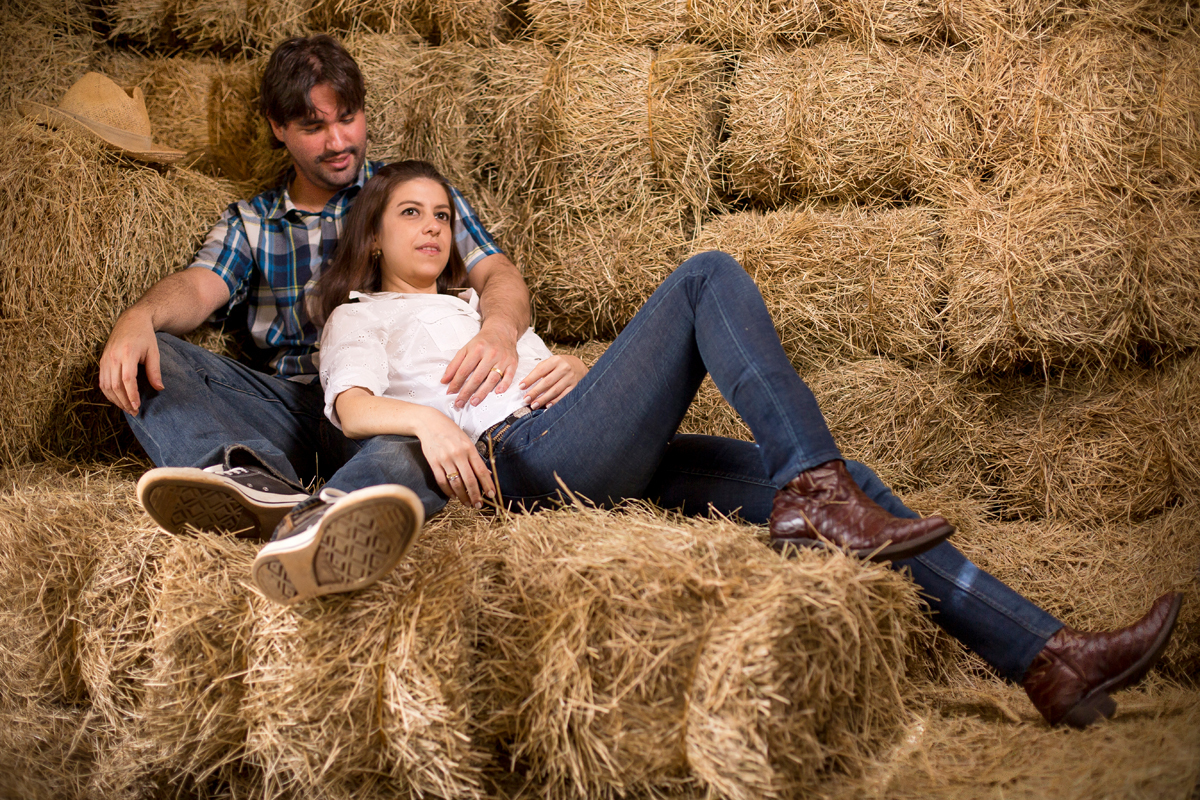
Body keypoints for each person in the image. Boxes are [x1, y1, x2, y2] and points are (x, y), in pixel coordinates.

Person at [261, 160, 1181, 733]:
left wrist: (582, 371)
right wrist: (425, 420)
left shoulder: (475, 309)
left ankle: (1047, 659)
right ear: (373, 232)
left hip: (586, 449)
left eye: (443, 216)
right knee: (706, 278)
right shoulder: (364, 313)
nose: (432, 227)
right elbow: (348, 407)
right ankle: (814, 491)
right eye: (411, 213)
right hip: (518, 465)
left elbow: (542, 376)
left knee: (854, 479)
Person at [97, 35, 529, 546]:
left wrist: (499, 331)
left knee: (411, 443)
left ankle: (324, 522)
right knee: (153, 355)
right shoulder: (252, 222)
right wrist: (137, 318)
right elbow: (197, 287)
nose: (337, 142)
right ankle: (250, 481)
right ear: (278, 128)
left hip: (392, 399)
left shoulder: (413, 198)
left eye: (347, 118)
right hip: (291, 407)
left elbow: (498, 274)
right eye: (313, 127)